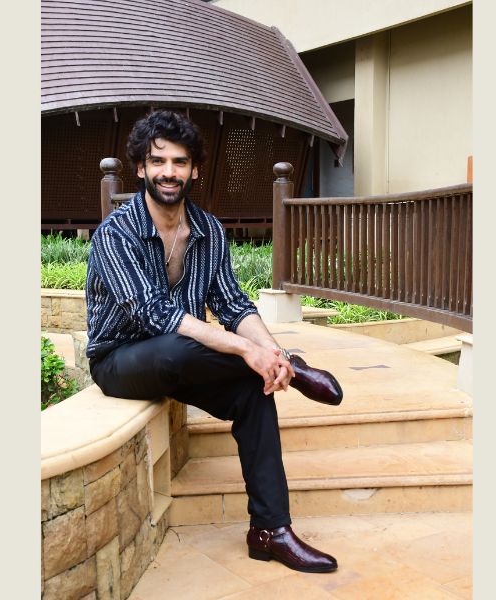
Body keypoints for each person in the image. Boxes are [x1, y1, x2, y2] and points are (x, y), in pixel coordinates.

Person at [85, 110, 338, 573]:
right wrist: (247, 351)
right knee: (178, 345)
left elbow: (233, 304)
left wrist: (271, 353)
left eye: (180, 162)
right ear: (140, 168)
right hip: (118, 360)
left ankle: (270, 531)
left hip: (182, 360)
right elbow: (155, 314)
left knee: (254, 391)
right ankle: (295, 367)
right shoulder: (115, 234)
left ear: (194, 170)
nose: (169, 172)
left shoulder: (208, 230)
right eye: (158, 161)